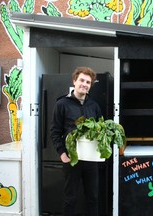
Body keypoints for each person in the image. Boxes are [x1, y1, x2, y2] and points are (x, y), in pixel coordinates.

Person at [50, 67, 102, 216]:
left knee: (93, 197)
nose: (84, 84)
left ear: (90, 85)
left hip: (91, 160)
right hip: (71, 159)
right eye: (82, 80)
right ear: (74, 81)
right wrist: (62, 154)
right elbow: (54, 132)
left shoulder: (94, 106)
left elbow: (100, 129)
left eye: (88, 82)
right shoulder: (62, 104)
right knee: (70, 198)